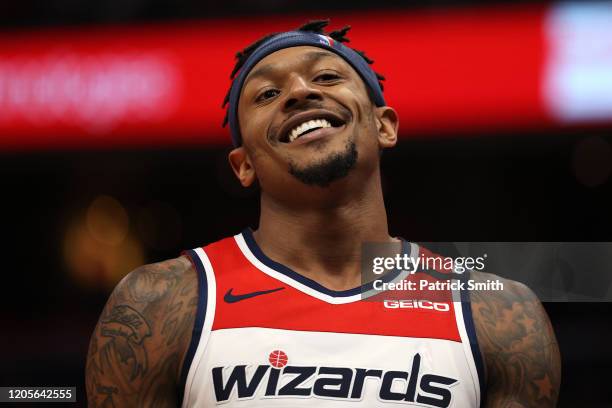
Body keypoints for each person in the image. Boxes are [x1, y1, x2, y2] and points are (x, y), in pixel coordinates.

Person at [86, 20, 561, 407]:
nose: (298, 92)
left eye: (327, 77)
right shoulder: (159, 303)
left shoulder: (495, 313)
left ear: (384, 126)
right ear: (243, 165)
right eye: (267, 95)